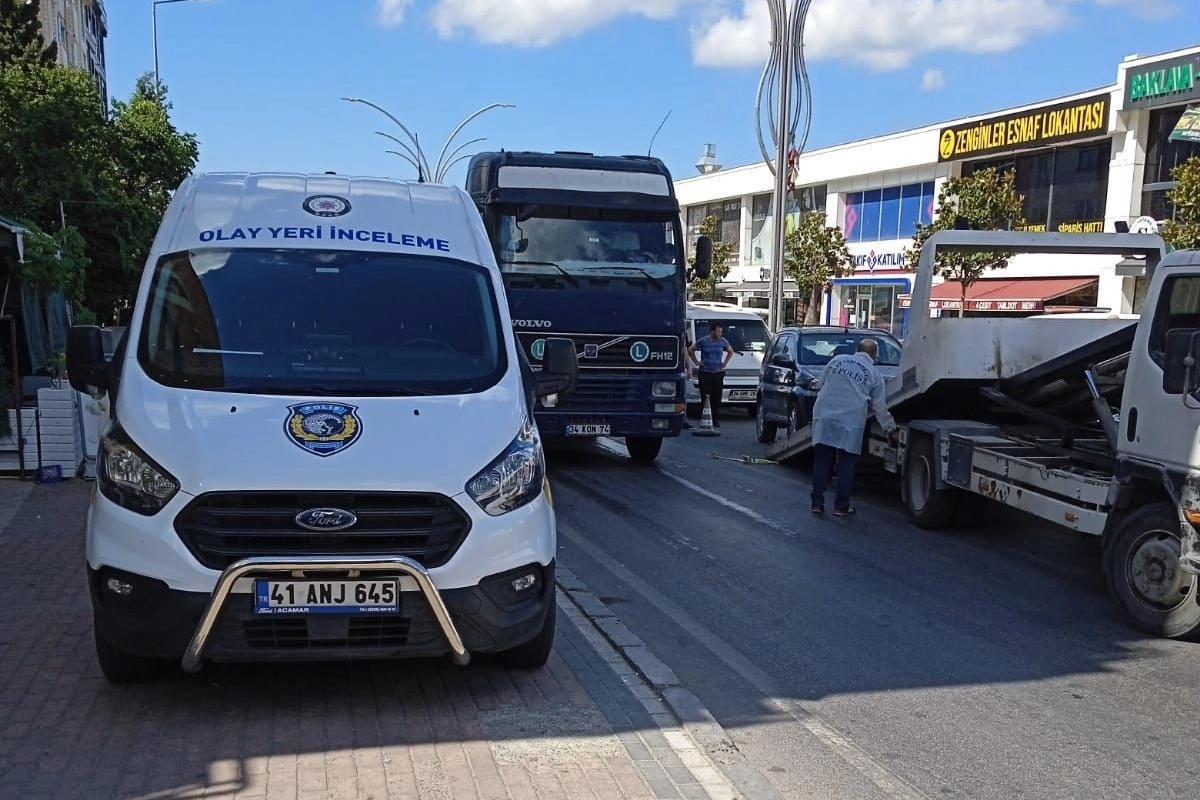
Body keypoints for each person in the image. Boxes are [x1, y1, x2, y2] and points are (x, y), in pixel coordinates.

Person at [808, 338, 897, 516]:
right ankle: (841, 506)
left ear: (857, 350)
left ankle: (817, 503)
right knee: (846, 464)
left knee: (822, 462)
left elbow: (821, 384)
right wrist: (890, 428)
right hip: (851, 420)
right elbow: (879, 406)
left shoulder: (836, 360)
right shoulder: (874, 374)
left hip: (825, 415)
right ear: (874, 354)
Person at [687, 323, 735, 428]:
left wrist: (725, 363)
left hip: (717, 373)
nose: (720, 333)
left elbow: (731, 351)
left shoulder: (723, 341)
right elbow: (690, 350)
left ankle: (715, 419)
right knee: (705, 397)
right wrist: (696, 362)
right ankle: (705, 418)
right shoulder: (704, 341)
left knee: (717, 397)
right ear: (712, 331)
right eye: (718, 331)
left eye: (721, 331)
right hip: (705, 373)